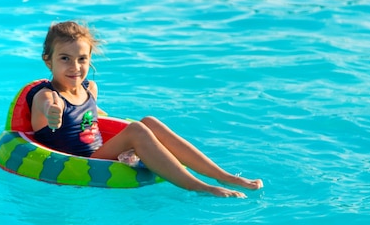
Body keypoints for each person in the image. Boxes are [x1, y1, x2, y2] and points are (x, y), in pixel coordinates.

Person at [29, 21, 263, 198]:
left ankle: (224, 176)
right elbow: (52, 105)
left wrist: (104, 118)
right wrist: (53, 112)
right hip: (79, 160)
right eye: (65, 59)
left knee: (148, 122)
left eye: (82, 59)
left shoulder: (90, 88)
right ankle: (200, 186)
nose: (75, 67)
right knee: (137, 131)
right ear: (48, 61)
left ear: (90, 59)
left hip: (99, 152)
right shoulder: (47, 95)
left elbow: (90, 117)